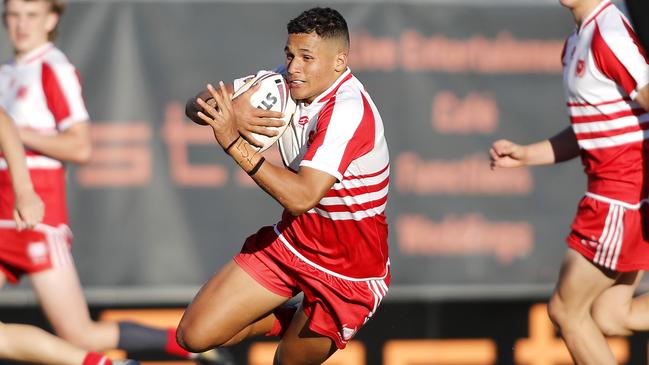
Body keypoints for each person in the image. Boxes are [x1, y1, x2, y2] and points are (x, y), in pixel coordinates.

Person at [0, 1, 233, 364]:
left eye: (31, 15)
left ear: (51, 20)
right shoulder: (7, 72)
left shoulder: (51, 67)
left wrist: (19, 134)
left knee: (80, 333)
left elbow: (80, 146)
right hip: (4, 216)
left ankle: (182, 344)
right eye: (13, 15)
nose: (21, 24)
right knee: (75, 333)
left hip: (36, 217)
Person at [178, 7, 390, 365]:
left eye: (307, 58)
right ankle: (292, 316)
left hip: (348, 269)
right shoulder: (281, 84)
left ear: (339, 62)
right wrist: (230, 109)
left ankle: (302, 322)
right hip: (296, 240)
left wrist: (234, 142)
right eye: (290, 55)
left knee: (285, 364)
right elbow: (194, 104)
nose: (294, 67)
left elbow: (302, 197)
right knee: (193, 335)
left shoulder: (347, 111)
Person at [490, 1, 649, 364]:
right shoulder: (580, 38)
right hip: (614, 196)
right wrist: (528, 154)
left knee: (566, 310)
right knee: (611, 314)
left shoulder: (610, 29)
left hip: (622, 198)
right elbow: (595, 128)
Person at [0, 108, 140, 365]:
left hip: (33, 225)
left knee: (80, 334)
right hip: (14, 225)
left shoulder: (51, 70)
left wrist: (24, 191)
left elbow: (4, 124)